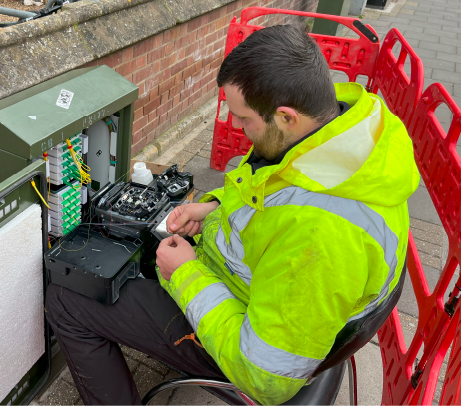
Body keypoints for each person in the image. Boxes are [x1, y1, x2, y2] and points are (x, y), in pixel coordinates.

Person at [45, 23, 419, 405]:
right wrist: (214, 209)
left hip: (245, 346)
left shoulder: (322, 239)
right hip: (255, 291)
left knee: (65, 300)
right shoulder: (338, 140)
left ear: (287, 116)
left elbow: (265, 377)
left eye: (245, 120)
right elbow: (274, 193)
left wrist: (185, 273)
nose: (239, 130)